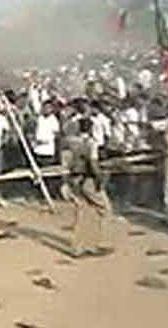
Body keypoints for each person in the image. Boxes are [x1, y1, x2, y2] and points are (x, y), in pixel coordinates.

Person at [63, 117, 112, 258]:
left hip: (76, 179)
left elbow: (69, 163)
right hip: (88, 179)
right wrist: (100, 179)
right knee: (105, 210)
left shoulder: (73, 142)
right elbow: (93, 163)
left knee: (82, 212)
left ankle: (78, 247)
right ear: (91, 128)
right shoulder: (91, 143)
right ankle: (100, 243)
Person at [33, 100, 60, 167]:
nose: (46, 109)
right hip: (38, 149)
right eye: (45, 107)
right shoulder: (39, 119)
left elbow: (56, 134)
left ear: (51, 109)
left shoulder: (53, 120)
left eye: (48, 108)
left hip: (48, 150)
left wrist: (46, 141)